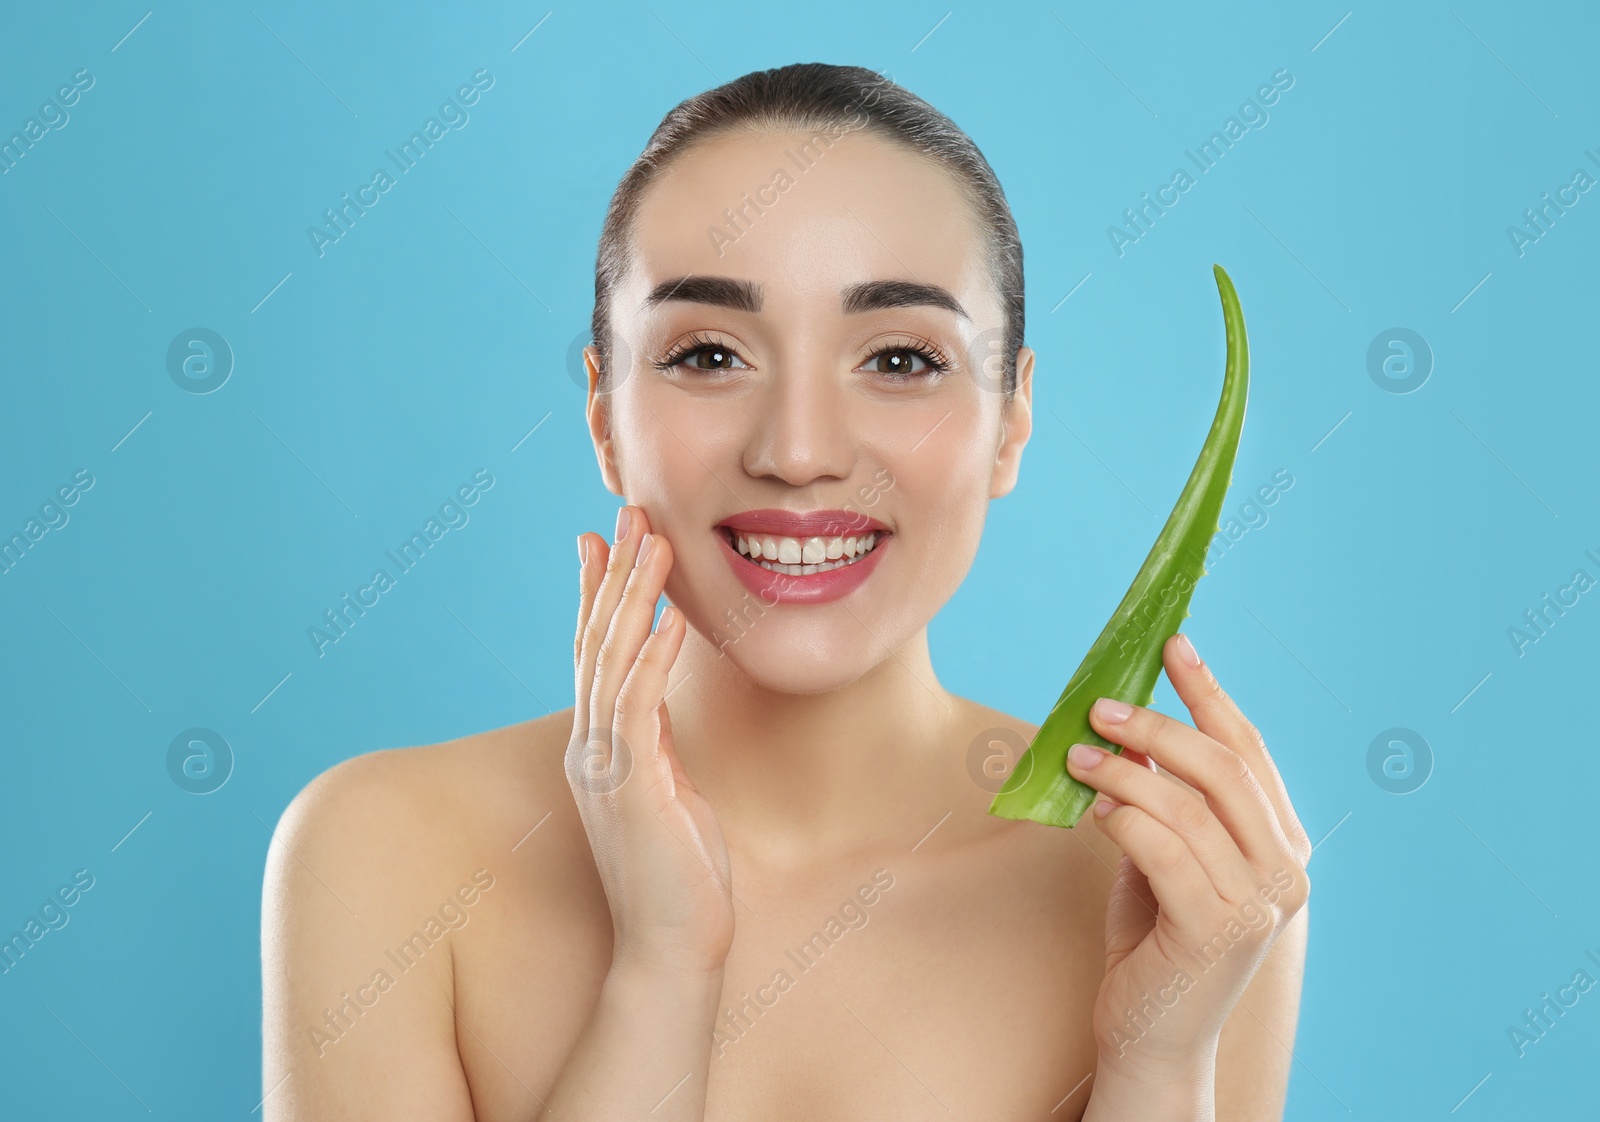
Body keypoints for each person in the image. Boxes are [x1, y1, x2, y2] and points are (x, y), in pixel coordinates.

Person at [261, 62, 1310, 1121]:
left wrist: (1158, 1067)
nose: (799, 450)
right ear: (601, 417)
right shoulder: (385, 858)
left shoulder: (1189, 891)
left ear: (1011, 419)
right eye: (709, 353)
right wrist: (662, 968)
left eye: (899, 360)